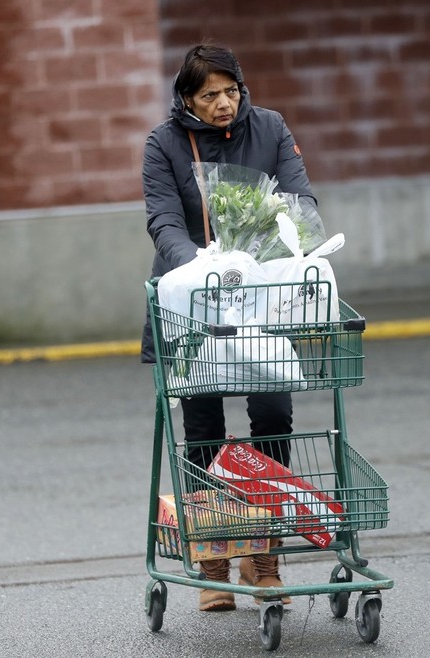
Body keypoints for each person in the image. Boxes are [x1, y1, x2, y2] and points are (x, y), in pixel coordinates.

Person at [141, 43, 320, 612]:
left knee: (273, 412)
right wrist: (200, 265)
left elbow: (298, 199)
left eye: (231, 91)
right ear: (187, 99)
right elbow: (163, 218)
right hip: (195, 296)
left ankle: (264, 556)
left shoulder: (270, 128)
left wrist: (288, 246)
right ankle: (215, 558)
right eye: (209, 95)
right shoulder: (163, 144)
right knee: (202, 424)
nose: (224, 103)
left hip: (261, 296)